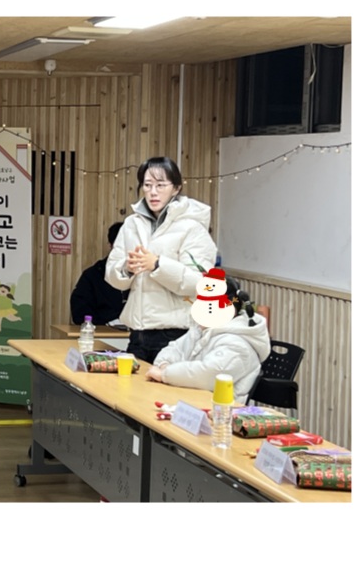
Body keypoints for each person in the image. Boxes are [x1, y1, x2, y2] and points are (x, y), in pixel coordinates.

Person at [105, 156, 217, 363]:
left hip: (176, 335)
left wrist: (157, 265)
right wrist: (127, 268)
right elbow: (111, 275)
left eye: (160, 185)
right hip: (137, 333)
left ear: (176, 188)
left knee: (163, 385)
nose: (153, 192)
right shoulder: (131, 224)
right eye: (147, 185)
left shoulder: (192, 227)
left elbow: (201, 282)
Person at [145, 277, 271, 404]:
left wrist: (165, 374)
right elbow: (174, 349)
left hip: (217, 411)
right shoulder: (202, 328)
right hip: (188, 399)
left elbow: (207, 374)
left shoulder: (238, 344)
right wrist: (164, 366)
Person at [70, 222, 128, 326]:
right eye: (120, 246)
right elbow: (79, 314)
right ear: (111, 245)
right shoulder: (92, 276)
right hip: (102, 332)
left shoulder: (144, 274)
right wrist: (109, 321)